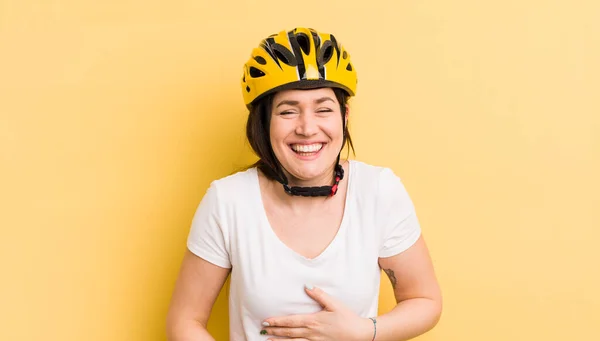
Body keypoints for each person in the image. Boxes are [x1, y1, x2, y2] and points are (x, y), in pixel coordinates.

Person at [166, 27, 442, 341]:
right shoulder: (228, 200)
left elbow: (425, 300)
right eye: (288, 111)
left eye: (323, 109)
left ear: (344, 116)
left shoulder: (378, 191)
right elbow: (184, 321)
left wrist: (365, 331)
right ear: (264, 121)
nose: (308, 128)